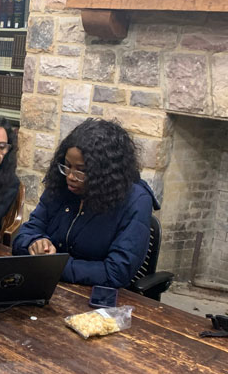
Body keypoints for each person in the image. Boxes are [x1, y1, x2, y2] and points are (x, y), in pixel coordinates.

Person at [12, 118, 159, 288]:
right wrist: (34, 243)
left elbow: (116, 273)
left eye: (81, 171)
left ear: (104, 172)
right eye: (67, 166)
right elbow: (26, 233)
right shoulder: (61, 185)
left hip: (97, 298)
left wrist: (54, 264)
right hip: (49, 285)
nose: (71, 176)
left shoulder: (135, 201)